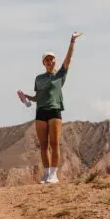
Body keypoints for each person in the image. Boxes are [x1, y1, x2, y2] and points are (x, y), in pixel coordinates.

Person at [18, 32, 82, 184]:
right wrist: (27, 98)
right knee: (43, 145)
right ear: (43, 63)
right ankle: (46, 174)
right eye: (46, 59)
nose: (49, 61)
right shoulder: (38, 79)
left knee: (54, 143)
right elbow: (38, 97)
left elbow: (69, 59)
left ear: (55, 61)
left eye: (51, 59)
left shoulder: (60, 74)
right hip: (40, 111)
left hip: (54, 110)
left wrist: (72, 41)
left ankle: (54, 174)